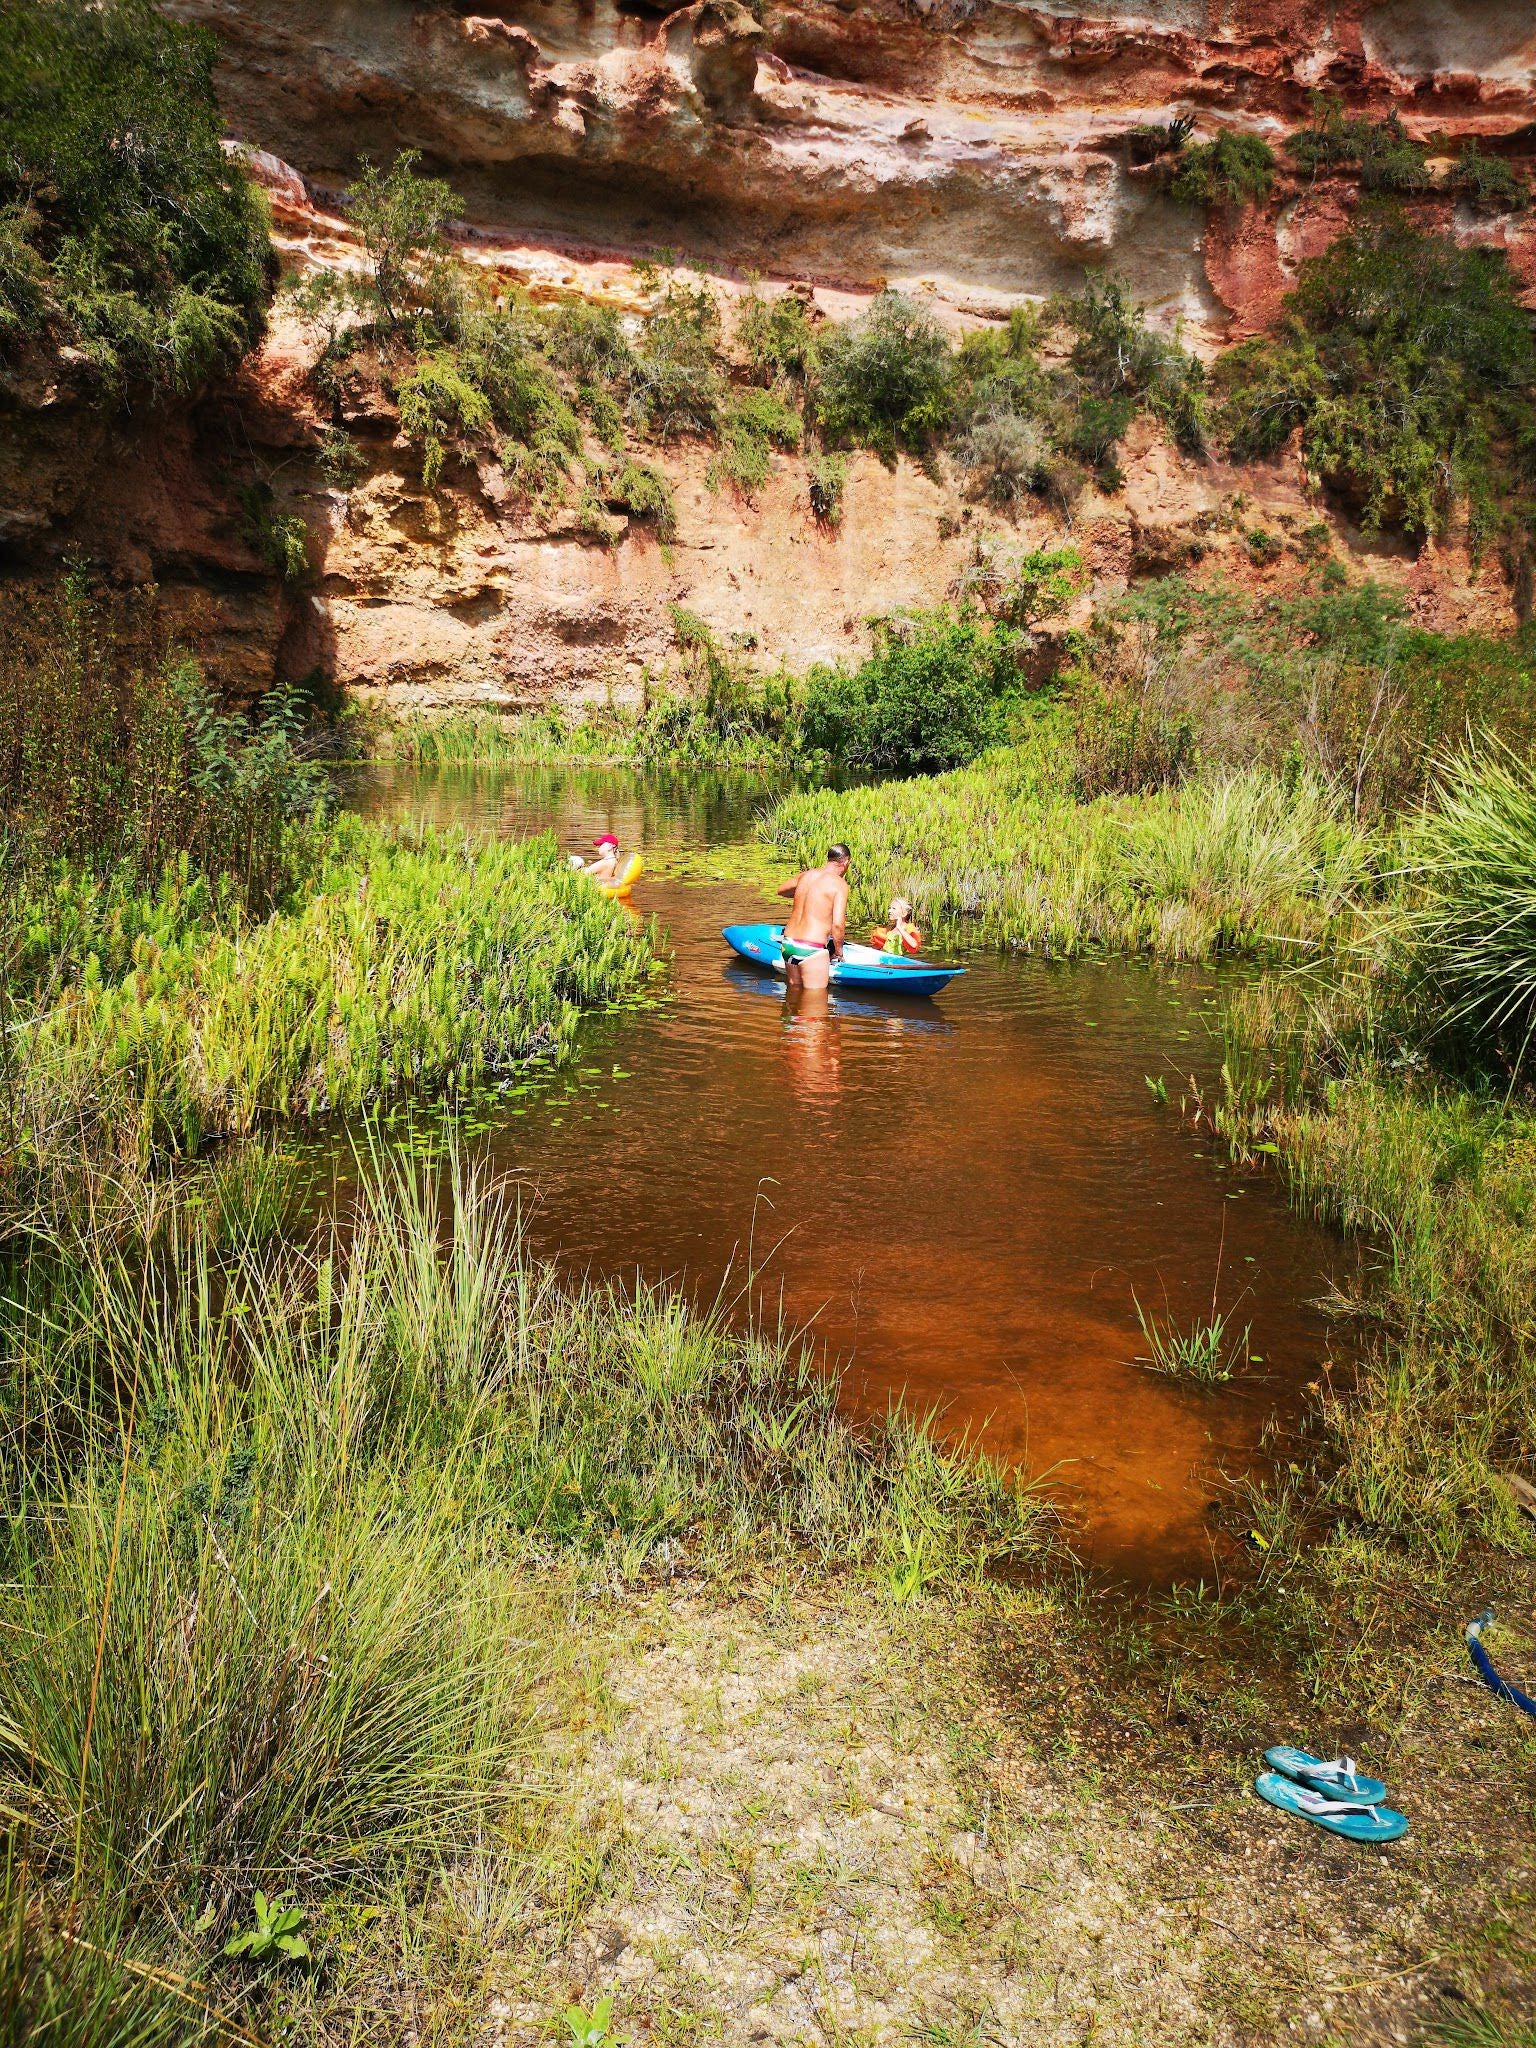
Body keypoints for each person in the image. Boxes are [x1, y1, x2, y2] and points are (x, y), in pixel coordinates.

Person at [776, 843, 850, 989]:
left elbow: (781, 891)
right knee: (815, 1003)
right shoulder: (839, 884)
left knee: (793, 995)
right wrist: (838, 952)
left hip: (788, 944)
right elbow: (837, 925)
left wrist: (806, 894)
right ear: (846, 862)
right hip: (811, 948)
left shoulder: (807, 875)